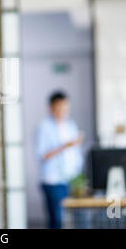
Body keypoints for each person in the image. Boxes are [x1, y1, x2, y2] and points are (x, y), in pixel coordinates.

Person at [35, 91, 84, 229]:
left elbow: (75, 152)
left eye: (65, 107)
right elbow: (42, 155)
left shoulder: (71, 125)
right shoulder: (44, 127)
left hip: (72, 179)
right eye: (59, 107)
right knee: (57, 220)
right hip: (53, 181)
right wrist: (65, 146)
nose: (63, 110)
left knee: (78, 219)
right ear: (50, 107)